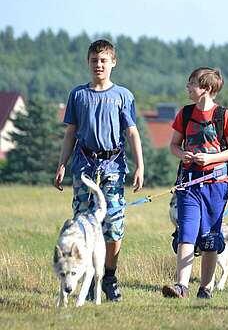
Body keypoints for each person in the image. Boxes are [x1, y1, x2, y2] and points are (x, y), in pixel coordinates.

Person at [53, 39, 145, 302]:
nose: (99, 65)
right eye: (94, 61)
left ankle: (109, 277)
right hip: (84, 165)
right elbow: (70, 133)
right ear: (88, 63)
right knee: (82, 223)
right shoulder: (78, 95)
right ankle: (83, 277)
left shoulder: (123, 96)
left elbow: (131, 132)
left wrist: (140, 165)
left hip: (113, 166)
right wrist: (62, 164)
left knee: (113, 225)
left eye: (104, 61)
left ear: (113, 63)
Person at [162, 67, 228, 299]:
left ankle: (205, 287)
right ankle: (181, 286)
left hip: (216, 184)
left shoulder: (223, 116)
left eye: (191, 83)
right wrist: (182, 154)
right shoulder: (184, 114)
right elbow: (174, 145)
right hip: (188, 183)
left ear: (206, 88)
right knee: (186, 231)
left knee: (209, 236)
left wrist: (211, 158)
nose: (187, 87)